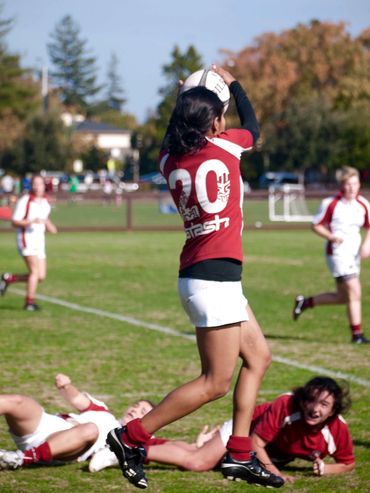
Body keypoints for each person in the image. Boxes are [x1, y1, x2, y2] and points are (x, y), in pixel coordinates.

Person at [106, 65, 278, 490]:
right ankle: (129, 437)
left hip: (206, 276)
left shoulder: (169, 160)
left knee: (258, 359)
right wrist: (236, 82)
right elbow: (254, 127)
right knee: (214, 383)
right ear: (218, 122)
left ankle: (239, 454)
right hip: (213, 280)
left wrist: (181, 97)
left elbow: (170, 137)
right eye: (220, 115)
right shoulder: (228, 147)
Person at [111, 376, 352, 484]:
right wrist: (275, 473)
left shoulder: (337, 428)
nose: (315, 409)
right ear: (302, 400)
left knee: (202, 455)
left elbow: (348, 462)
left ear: (333, 410)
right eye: (311, 401)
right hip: (243, 431)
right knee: (198, 462)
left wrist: (327, 469)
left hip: (262, 450)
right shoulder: (286, 404)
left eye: (324, 404)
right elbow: (256, 443)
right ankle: (123, 448)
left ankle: (136, 445)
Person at [0, 373, 154, 471]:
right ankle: (17, 456)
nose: (135, 410)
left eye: (142, 412)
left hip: (64, 449)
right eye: (136, 405)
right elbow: (76, 399)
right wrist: (66, 386)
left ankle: (20, 459)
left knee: (90, 429)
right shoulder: (103, 411)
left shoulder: (130, 441)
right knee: (16, 401)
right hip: (46, 425)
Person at [293, 166, 370, 344]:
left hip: (354, 256)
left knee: (344, 297)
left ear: (359, 184)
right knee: (355, 292)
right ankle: (357, 335)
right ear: (341, 185)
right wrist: (331, 236)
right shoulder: (331, 203)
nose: (352, 188)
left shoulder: (363, 204)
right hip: (337, 254)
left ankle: (305, 302)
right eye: (348, 184)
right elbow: (316, 224)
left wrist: (367, 245)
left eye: (355, 184)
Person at [0, 174, 57, 311]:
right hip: (26, 239)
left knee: (41, 276)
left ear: (44, 186)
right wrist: (30, 221)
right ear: (31, 185)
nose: (38, 187)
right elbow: (14, 221)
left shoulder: (45, 202)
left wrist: (50, 226)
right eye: (35, 184)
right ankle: (29, 303)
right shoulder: (25, 200)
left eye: (40, 184)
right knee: (34, 272)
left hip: (39, 241)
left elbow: (45, 218)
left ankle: (9, 278)